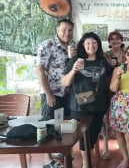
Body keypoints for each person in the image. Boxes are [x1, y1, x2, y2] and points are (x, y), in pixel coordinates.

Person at [61, 32, 112, 168]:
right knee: (84, 135)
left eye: (94, 43)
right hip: (79, 106)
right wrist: (73, 71)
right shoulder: (75, 60)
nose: (91, 45)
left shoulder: (103, 61)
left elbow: (109, 80)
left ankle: (87, 162)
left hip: (99, 105)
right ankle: (86, 164)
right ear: (83, 45)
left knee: (93, 135)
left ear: (98, 45)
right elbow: (65, 82)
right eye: (88, 43)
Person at [36, 18, 75, 168]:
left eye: (70, 30)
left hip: (68, 93)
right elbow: (40, 70)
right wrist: (49, 94)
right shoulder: (47, 45)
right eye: (64, 30)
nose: (67, 33)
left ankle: (61, 153)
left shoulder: (73, 46)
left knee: (64, 125)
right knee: (48, 124)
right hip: (52, 93)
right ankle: (48, 160)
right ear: (57, 30)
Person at [98, 31, 126, 160]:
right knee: (107, 119)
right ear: (109, 42)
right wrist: (111, 67)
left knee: (126, 119)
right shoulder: (105, 55)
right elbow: (102, 73)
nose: (115, 41)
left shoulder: (128, 53)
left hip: (125, 90)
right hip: (109, 89)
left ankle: (126, 150)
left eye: (118, 38)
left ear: (121, 40)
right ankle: (105, 148)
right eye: (112, 39)